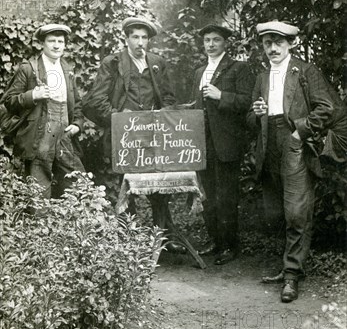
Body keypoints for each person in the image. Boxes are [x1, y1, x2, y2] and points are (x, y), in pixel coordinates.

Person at [248, 20, 340, 302]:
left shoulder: (305, 71)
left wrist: (301, 132)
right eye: (267, 43)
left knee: (297, 210)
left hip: (294, 141)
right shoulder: (262, 77)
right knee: (275, 211)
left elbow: (328, 107)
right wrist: (256, 111)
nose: (273, 48)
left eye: (278, 42)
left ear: (290, 44)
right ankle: (289, 265)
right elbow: (250, 121)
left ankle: (291, 276)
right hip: (268, 142)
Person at [82, 15, 184, 252]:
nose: (140, 42)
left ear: (149, 40)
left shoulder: (157, 63)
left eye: (144, 38)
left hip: (153, 137)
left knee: (159, 187)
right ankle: (129, 243)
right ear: (126, 39)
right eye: (135, 37)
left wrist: (161, 116)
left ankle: (164, 238)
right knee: (127, 189)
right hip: (124, 138)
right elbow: (95, 101)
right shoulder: (113, 63)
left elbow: (168, 97)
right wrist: (120, 118)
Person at [191, 23, 254, 265]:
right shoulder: (199, 72)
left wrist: (221, 96)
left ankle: (230, 246)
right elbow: (196, 106)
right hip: (202, 143)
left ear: (225, 43)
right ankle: (215, 240)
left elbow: (247, 101)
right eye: (207, 40)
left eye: (216, 40)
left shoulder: (238, 68)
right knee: (207, 194)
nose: (211, 44)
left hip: (226, 142)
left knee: (226, 195)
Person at [4, 23, 85, 198]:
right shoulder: (29, 69)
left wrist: (77, 124)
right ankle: (37, 224)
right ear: (42, 43)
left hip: (64, 136)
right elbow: (8, 101)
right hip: (39, 136)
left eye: (60, 41)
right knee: (38, 188)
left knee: (76, 184)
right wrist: (32, 95)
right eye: (51, 41)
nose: (56, 45)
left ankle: (72, 224)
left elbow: (77, 103)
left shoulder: (67, 70)